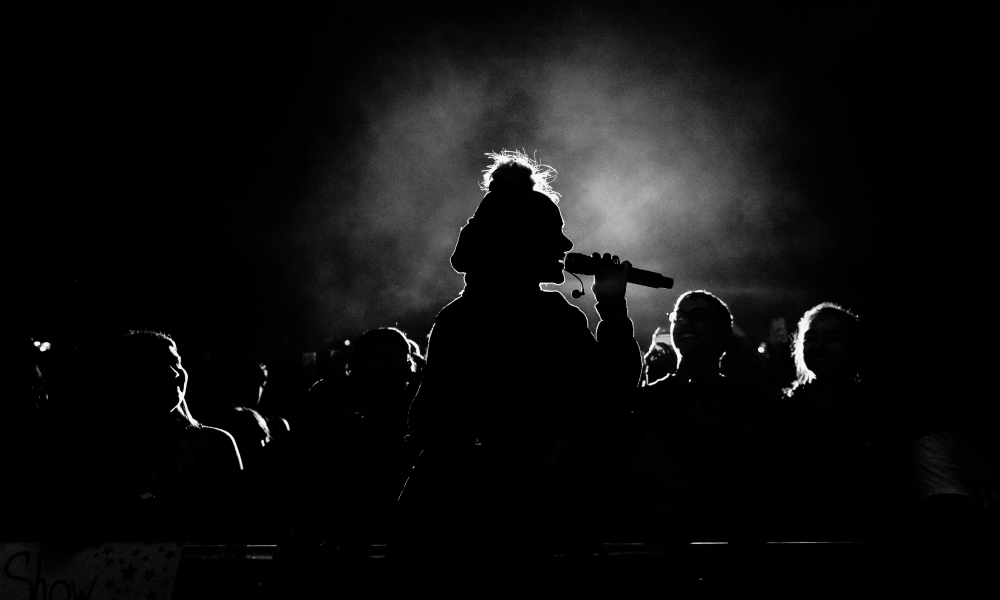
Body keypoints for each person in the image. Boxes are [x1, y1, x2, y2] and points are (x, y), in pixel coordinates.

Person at [397, 150, 641, 594]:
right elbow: (615, 392)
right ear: (522, 242)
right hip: (506, 512)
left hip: (433, 504)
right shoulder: (548, 318)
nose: (566, 247)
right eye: (555, 233)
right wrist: (613, 307)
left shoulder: (454, 317)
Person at [45, 330, 243, 542]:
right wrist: (152, 501)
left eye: (176, 363)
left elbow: (241, 525)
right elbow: (55, 527)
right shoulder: (99, 446)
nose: (174, 373)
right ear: (122, 378)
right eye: (154, 367)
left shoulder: (216, 443)